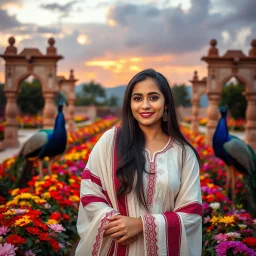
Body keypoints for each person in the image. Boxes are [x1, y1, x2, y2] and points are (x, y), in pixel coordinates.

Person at [75, 69, 202, 256]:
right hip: (115, 246)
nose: (145, 105)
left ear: (166, 103)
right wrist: (118, 224)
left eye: (153, 98)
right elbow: (90, 189)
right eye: (137, 98)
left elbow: (191, 213)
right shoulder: (111, 142)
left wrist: (141, 225)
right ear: (129, 104)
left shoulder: (183, 153)